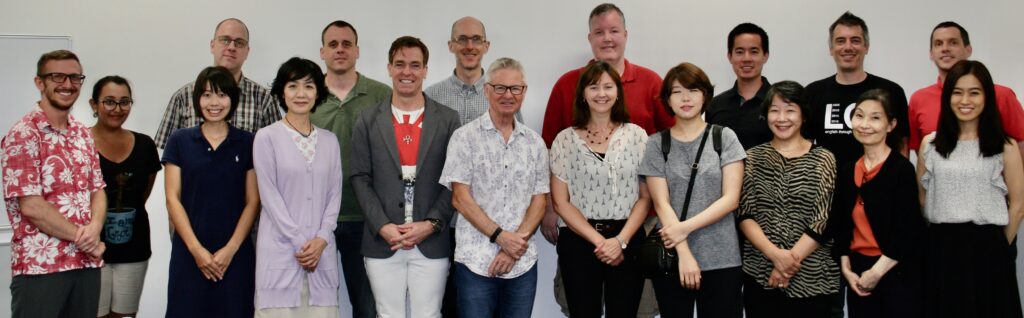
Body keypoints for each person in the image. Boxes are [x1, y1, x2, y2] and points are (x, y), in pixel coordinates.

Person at [541, 5, 668, 315]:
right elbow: (547, 153)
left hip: (639, 224)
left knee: (635, 308)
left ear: (625, 35)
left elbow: (670, 147)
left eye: (614, 31)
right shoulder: (566, 88)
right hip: (579, 230)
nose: (607, 38)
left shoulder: (650, 84)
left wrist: (630, 235)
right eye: (599, 32)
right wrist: (548, 209)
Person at [349, 36, 460, 318]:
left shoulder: (447, 119)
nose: (406, 72)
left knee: (429, 314)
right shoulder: (368, 118)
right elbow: (360, 177)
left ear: (425, 70)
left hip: (431, 242)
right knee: (388, 314)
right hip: (382, 241)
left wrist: (432, 224)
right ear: (389, 68)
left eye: (414, 65)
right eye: (399, 64)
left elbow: (454, 180)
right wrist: (382, 225)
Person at [440, 57, 548, 317]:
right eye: (500, 88)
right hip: (475, 263)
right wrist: (501, 237)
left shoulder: (534, 143)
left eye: (515, 89)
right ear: (486, 91)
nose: (508, 95)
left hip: (522, 263)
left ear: (524, 92)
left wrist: (515, 246)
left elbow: (539, 200)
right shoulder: (464, 137)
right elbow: (460, 198)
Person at [3, 50, 106, 318]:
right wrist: (86, 240)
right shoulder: (23, 134)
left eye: (75, 77)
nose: (68, 84)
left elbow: (98, 191)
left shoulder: (83, 134)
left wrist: (95, 228)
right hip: (41, 270)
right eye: (57, 76)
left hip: (86, 266)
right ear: (40, 82)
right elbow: (32, 206)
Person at [917, 60, 1024, 318]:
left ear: (987, 96)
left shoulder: (1004, 146)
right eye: (957, 92)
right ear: (947, 97)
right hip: (941, 248)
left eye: (974, 92)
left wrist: (996, 249)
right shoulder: (929, 144)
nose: (965, 100)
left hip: (988, 251)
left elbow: (1018, 205)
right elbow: (922, 197)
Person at [640, 62, 747, 317]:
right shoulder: (657, 144)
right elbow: (661, 203)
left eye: (693, 90)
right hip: (672, 257)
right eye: (677, 92)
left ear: (705, 95)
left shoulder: (725, 137)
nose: (686, 98)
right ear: (667, 99)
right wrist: (684, 251)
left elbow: (731, 199)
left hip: (722, 255)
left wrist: (683, 229)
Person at [549, 61, 649, 317]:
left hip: (627, 238)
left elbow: (645, 197)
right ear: (583, 93)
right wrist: (601, 242)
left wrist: (620, 241)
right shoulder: (565, 140)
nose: (601, 94)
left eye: (608, 86)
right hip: (580, 240)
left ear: (618, 92)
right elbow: (561, 202)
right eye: (594, 87)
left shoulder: (638, 136)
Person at [162, 66, 259, 318]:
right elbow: (172, 198)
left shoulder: (248, 142)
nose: (214, 103)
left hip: (235, 254)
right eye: (206, 95)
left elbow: (253, 201)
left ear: (233, 99)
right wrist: (197, 251)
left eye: (222, 95)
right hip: (189, 251)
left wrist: (230, 249)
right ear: (196, 99)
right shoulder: (179, 140)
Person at [310, 20, 391, 318]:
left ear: (357, 50)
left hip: (366, 218)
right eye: (333, 44)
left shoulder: (381, 94)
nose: (340, 50)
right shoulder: (306, 93)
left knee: (367, 307)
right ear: (322, 52)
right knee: (315, 307)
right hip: (316, 220)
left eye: (346, 44)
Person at [738, 81, 840, 317]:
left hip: (812, 276)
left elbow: (822, 219)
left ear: (803, 115)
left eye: (790, 110)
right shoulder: (752, 157)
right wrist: (776, 256)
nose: (782, 118)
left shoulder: (824, 158)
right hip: (760, 272)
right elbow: (745, 213)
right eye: (774, 110)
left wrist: (786, 265)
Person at [253, 57, 341, 317]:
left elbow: (334, 194)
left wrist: (322, 238)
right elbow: (269, 197)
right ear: (282, 91)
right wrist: (301, 243)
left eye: (309, 86)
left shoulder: (330, 140)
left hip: (321, 254)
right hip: (281, 253)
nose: (301, 94)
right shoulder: (266, 137)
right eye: (293, 86)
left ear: (318, 92)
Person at [829, 89, 925, 318]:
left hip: (895, 271)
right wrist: (846, 269)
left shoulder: (901, 169)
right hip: (857, 271)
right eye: (859, 115)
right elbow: (841, 226)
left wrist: (876, 273)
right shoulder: (847, 170)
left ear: (891, 125)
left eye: (875, 118)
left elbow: (907, 231)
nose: (864, 124)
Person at [89, 76, 161, 318]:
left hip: (134, 247)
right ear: (93, 104)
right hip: (90, 248)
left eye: (124, 102)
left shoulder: (144, 144)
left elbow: (143, 192)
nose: (117, 109)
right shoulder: (79, 143)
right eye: (109, 101)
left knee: (124, 315)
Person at [154, 18, 280, 148]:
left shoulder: (264, 100)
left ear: (247, 51)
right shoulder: (183, 96)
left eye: (239, 42)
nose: (231, 47)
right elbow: (165, 150)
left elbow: (277, 150)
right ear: (212, 45)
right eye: (225, 40)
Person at [805, 12, 909, 166]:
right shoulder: (812, 93)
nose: (848, 47)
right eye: (840, 41)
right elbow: (805, 145)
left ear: (866, 47)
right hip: (827, 187)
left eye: (855, 40)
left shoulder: (891, 91)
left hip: (880, 186)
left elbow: (902, 146)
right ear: (831, 49)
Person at [908, 21, 1024, 157]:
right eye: (938, 44)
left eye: (953, 42)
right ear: (931, 54)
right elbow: (923, 156)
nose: (945, 48)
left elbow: (1021, 145)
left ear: (968, 50)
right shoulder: (919, 99)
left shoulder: (1001, 95)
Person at [426, 16, 522, 126]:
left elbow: (519, 140)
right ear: (451, 46)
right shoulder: (431, 96)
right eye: (462, 39)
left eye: (476, 39)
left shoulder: (505, 96)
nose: (470, 46)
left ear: (486, 46)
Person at [707, 23, 773, 150]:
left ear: (765, 56)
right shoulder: (715, 105)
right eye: (739, 52)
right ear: (730, 56)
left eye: (754, 51)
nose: (746, 58)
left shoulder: (778, 103)